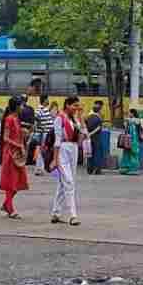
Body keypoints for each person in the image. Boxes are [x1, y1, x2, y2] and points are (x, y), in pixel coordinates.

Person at [49, 96, 83, 226]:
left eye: (77, 106)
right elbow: (57, 141)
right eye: (74, 105)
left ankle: (56, 213)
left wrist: (81, 116)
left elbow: (82, 136)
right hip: (62, 150)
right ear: (67, 105)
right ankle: (73, 215)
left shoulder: (75, 119)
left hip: (73, 150)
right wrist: (55, 159)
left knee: (64, 183)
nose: (76, 108)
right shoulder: (59, 118)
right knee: (68, 182)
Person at [0, 96, 29, 218]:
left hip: (17, 154)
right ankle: (10, 208)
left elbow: (15, 134)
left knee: (18, 182)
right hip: (11, 153)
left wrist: (23, 132)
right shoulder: (9, 119)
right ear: (16, 106)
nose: (23, 107)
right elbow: (5, 138)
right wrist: (19, 145)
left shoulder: (16, 119)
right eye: (21, 105)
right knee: (11, 183)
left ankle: (6, 204)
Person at [32, 87, 55, 175]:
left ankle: (40, 169)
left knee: (43, 151)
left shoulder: (44, 109)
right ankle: (39, 169)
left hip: (45, 133)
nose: (48, 101)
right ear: (44, 100)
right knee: (42, 151)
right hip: (43, 134)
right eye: (47, 99)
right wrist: (42, 128)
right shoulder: (40, 109)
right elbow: (36, 119)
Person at [85, 101, 107, 175]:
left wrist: (88, 134)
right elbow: (99, 128)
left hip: (89, 138)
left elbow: (86, 126)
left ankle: (89, 169)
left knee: (90, 153)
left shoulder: (88, 116)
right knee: (98, 153)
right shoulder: (98, 118)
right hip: (97, 138)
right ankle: (97, 169)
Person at [118, 108, 143, 175]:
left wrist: (127, 121)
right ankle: (126, 168)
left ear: (132, 113)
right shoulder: (129, 121)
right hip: (128, 140)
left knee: (133, 153)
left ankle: (133, 169)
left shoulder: (136, 120)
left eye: (129, 113)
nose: (128, 114)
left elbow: (135, 121)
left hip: (134, 140)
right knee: (127, 153)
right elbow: (126, 127)